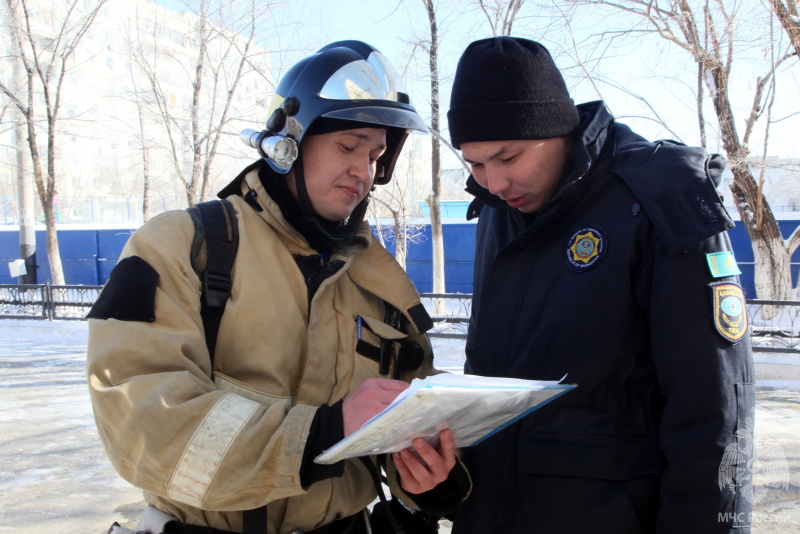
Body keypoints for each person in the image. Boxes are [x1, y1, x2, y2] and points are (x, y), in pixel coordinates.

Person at [86, 40, 469, 534]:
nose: (364, 171)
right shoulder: (184, 246)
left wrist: (426, 480)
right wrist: (321, 434)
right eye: (348, 146)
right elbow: (141, 424)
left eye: (375, 154)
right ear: (287, 144)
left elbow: (405, 425)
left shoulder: (380, 283)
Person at [446, 36, 754, 533]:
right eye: (475, 164)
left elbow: (713, 409)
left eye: (508, 156)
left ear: (556, 130)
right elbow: (488, 380)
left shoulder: (659, 197)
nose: (494, 183)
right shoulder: (498, 212)